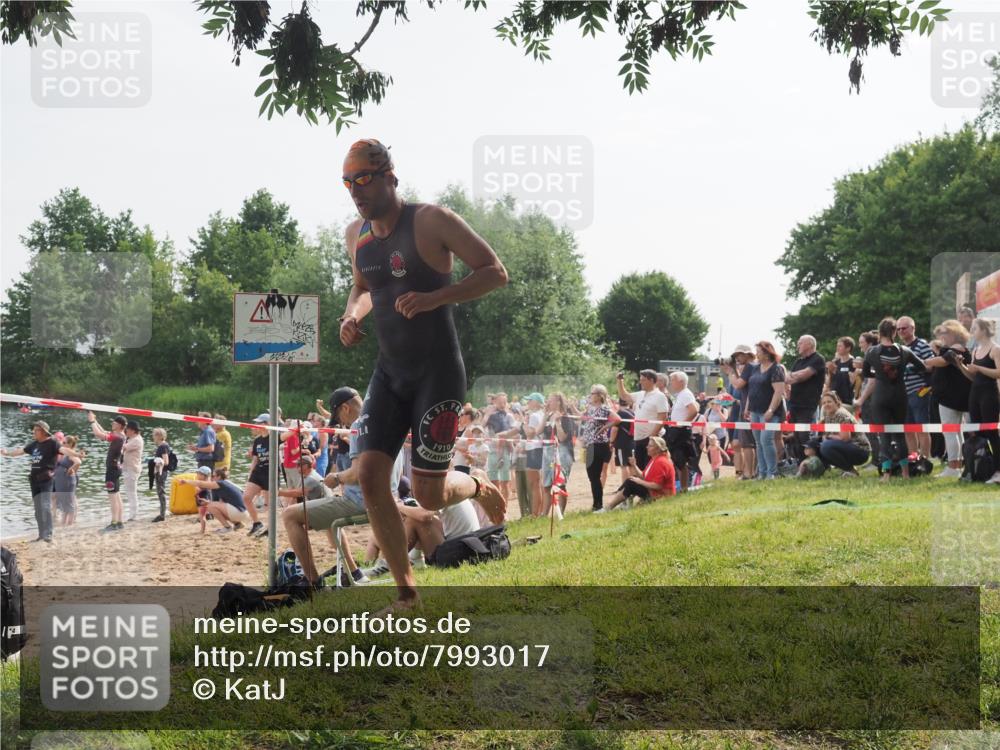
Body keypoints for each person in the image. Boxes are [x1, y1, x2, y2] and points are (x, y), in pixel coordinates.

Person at [337, 138, 509, 610]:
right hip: (389, 372)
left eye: (363, 179)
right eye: (347, 183)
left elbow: (495, 272)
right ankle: (407, 591)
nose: (355, 190)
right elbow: (362, 288)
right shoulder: (356, 235)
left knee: (429, 495)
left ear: (391, 177)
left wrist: (435, 298)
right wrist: (351, 316)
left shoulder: (432, 221)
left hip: (438, 372)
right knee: (370, 476)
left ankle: (476, 483)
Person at [856, 317, 927, 481]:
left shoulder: (872, 352)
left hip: (881, 395)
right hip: (900, 395)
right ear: (894, 332)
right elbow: (922, 367)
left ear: (880, 332)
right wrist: (902, 371)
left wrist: (880, 374)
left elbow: (865, 373)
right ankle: (905, 473)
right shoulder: (905, 350)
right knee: (900, 435)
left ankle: (886, 474)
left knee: (884, 435)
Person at [1, 421, 75, 542]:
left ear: (44, 432)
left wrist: (76, 454)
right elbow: (20, 451)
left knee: (45, 506)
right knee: (38, 509)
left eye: (36, 430)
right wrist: (7, 453)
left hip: (46, 480)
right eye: (34, 430)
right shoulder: (34, 444)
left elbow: (64, 450)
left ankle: (48, 535)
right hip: (34, 480)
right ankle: (41, 534)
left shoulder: (52, 443)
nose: (33, 432)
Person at [923, 320, 972, 478]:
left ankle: (952, 467)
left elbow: (943, 361)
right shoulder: (961, 348)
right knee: (956, 432)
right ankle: (958, 464)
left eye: (944, 333)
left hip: (950, 397)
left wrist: (926, 361)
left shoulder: (953, 349)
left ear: (953, 333)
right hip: (958, 396)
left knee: (950, 432)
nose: (941, 336)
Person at [957, 317, 1000, 484]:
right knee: (977, 432)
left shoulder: (995, 349)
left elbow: (998, 373)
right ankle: (983, 468)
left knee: (991, 433)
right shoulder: (976, 350)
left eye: (974, 328)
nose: (971, 331)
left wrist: (979, 368)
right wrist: (960, 365)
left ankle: (998, 470)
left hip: (989, 394)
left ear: (983, 330)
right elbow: (973, 376)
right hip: (975, 394)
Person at [597, 436, 676, 512]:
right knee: (632, 479)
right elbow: (643, 476)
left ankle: (609, 507)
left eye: (650, 446)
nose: (647, 447)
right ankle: (621, 502)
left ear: (658, 449)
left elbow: (658, 486)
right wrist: (634, 465)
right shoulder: (655, 459)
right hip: (656, 492)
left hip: (661, 495)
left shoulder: (661, 462)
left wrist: (640, 482)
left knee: (631, 483)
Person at [743, 341, 786, 480]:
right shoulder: (755, 368)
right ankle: (762, 472)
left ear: (767, 354)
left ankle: (772, 472)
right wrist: (747, 407)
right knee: (758, 442)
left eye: (759, 352)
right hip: (754, 411)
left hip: (769, 412)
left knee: (766, 440)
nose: (756, 354)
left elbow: (778, 392)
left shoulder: (776, 369)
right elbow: (751, 390)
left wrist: (771, 410)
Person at [896, 316, 934, 460]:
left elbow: (931, 366)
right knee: (908, 429)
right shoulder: (899, 348)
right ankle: (913, 458)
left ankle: (925, 459)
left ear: (913, 328)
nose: (901, 331)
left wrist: (913, 367)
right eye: (898, 329)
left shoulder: (922, 345)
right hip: (903, 394)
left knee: (922, 428)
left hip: (919, 391)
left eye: (904, 328)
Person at [784, 335, 825, 463]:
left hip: (808, 405)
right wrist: (793, 376)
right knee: (796, 436)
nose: (798, 346)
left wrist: (792, 375)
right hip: (794, 404)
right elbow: (787, 379)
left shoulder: (818, 359)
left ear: (810, 344)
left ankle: (814, 463)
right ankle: (801, 464)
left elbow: (804, 375)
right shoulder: (798, 361)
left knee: (805, 436)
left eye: (800, 343)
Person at [616, 369, 669, 470]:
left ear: (652, 380)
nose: (640, 382)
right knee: (640, 468)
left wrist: (652, 436)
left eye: (643, 380)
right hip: (639, 438)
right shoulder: (640, 394)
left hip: (651, 439)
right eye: (640, 380)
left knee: (650, 468)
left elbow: (663, 417)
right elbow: (624, 396)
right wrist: (620, 381)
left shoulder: (660, 396)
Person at [180, 466, 252, 534]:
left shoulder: (220, 483)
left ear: (219, 477)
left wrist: (186, 481)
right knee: (212, 506)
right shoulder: (221, 486)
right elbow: (218, 504)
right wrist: (207, 502)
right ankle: (237, 524)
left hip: (240, 511)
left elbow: (200, 483)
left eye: (213, 476)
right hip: (242, 512)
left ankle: (227, 527)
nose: (211, 478)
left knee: (210, 506)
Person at [721, 345, 756, 480]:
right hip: (736, 413)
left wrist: (730, 371)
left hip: (745, 411)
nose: (737, 360)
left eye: (739, 356)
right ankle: (741, 472)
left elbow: (740, 387)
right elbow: (733, 392)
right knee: (739, 445)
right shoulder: (738, 375)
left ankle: (749, 472)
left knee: (745, 444)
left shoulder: (750, 369)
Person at [88, 412, 127, 531]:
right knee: (117, 496)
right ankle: (119, 521)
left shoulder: (117, 437)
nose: (112, 424)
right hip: (116, 469)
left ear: (119, 425)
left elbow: (98, 434)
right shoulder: (120, 435)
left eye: (114, 423)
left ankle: (114, 523)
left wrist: (92, 421)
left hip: (112, 470)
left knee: (113, 497)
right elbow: (103, 432)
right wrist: (95, 420)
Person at [817, 392, 870, 476]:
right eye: (824, 403)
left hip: (860, 449)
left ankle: (850, 470)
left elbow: (845, 438)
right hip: (847, 446)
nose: (826, 404)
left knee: (825, 446)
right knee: (816, 445)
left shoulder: (841, 414)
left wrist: (828, 436)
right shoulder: (828, 414)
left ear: (836, 402)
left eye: (829, 402)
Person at [581, 385, 616, 512]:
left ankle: (598, 505)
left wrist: (605, 427)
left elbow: (617, 419)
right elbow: (581, 417)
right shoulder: (591, 409)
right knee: (593, 477)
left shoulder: (604, 408)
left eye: (592, 393)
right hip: (591, 445)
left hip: (598, 445)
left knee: (594, 476)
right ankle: (597, 504)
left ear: (600, 395)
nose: (590, 395)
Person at [541, 392, 576, 514]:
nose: (548, 403)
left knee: (560, 484)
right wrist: (545, 416)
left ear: (558, 402)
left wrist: (557, 422)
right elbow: (538, 431)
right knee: (546, 485)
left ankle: (561, 513)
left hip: (563, 453)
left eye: (550, 400)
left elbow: (562, 438)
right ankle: (544, 514)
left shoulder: (565, 417)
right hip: (547, 452)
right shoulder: (548, 416)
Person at [666, 371, 698, 492]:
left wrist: (682, 424)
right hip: (676, 430)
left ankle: (684, 488)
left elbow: (694, 410)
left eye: (673, 380)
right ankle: (682, 487)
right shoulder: (681, 394)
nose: (671, 383)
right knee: (677, 460)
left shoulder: (685, 394)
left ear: (680, 381)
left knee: (681, 460)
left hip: (681, 432)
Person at [483, 393, 517, 503]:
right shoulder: (490, 415)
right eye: (500, 402)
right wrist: (487, 414)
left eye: (504, 402)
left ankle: (505, 506)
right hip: (492, 451)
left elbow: (515, 432)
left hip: (505, 451)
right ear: (494, 402)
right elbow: (481, 427)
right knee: (493, 482)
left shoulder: (509, 416)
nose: (502, 405)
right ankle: (496, 505)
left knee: (505, 482)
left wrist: (506, 436)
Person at [521, 393, 547, 516]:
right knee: (538, 483)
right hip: (538, 448)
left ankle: (535, 514)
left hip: (534, 449)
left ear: (536, 402)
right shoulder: (541, 414)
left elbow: (530, 434)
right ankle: (539, 512)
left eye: (530, 400)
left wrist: (524, 424)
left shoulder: (534, 415)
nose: (528, 403)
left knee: (534, 483)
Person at [52, 434, 81, 526]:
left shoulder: (71, 454)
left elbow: (78, 462)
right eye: (62, 442)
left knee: (69, 502)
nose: (62, 444)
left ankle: (70, 524)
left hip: (67, 480)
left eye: (64, 442)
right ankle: (64, 523)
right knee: (65, 502)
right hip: (63, 480)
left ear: (70, 444)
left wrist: (71, 469)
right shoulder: (66, 454)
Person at [120, 420, 144, 522]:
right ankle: (132, 513)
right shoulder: (132, 439)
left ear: (133, 430)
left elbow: (123, 448)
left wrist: (119, 437)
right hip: (128, 468)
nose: (126, 431)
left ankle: (133, 515)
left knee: (131, 492)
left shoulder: (137, 440)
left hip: (132, 469)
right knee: (129, 492)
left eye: (127, 430)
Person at [610, 398, 635, 487]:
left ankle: (624, 487)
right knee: (631, 465)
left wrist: (611, 441)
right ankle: (633, 485)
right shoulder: (632, 412)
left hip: (621, 443)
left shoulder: (619, 413)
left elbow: (614, 430)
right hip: (632, 441)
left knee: (623, 466)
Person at [149, 427, 172, 522]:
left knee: (161, 492)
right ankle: (163, 513)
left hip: (161, 472)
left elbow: (166, 462)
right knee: (160, 492)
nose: (153, 437)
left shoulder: (163, 446)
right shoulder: (164, 445)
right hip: (161, 471)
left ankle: (162, 514)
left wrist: (156, 462)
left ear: (159, 436)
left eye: (154, 435)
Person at [827, 337, 858, 407]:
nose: (837, 348)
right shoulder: (835, 363)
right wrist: (829, 371)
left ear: (848, 348)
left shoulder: (853, 363)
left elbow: (852, 382)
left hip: (846, 401)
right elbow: (828, 381)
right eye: (837, 346)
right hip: (832, 400)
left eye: (840, 346)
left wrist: (835, 371)